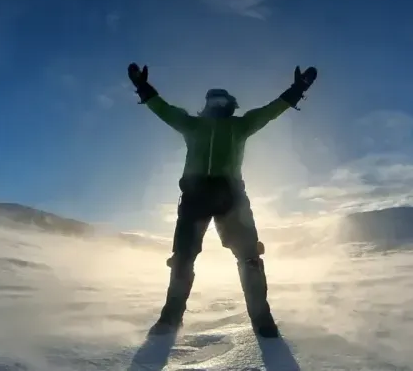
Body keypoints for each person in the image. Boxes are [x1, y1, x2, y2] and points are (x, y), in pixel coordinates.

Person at [127, 62, 317, 338]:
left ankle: (263, 321)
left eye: (221, 100)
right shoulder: (192, 125)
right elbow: (163, 109)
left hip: (231, 198)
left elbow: (271, 110)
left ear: (229, 104)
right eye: (212, 100)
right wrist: (143, 86)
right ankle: (169, 320)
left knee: (250, 257)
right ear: (206, 104)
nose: (216, 105)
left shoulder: (240, 126)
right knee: (183, 258)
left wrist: (298, 89)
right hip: (195, 197)